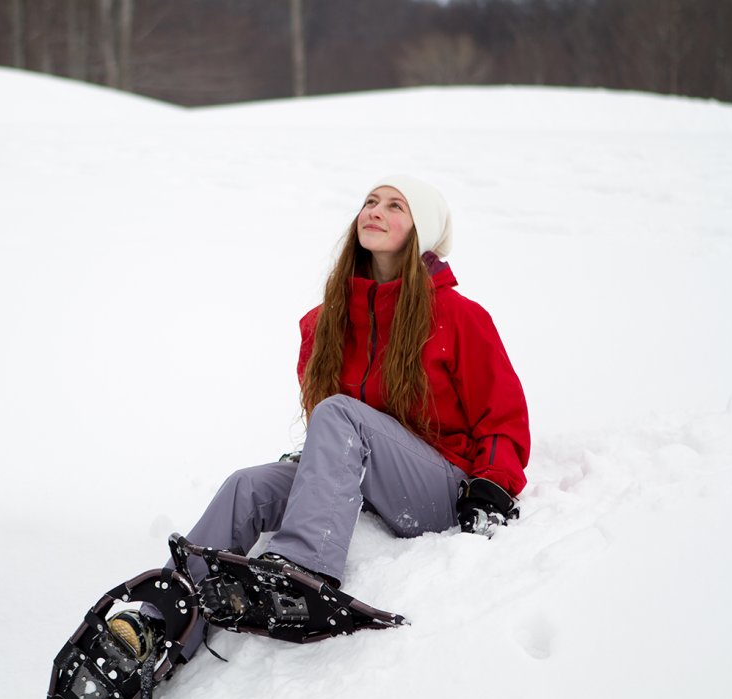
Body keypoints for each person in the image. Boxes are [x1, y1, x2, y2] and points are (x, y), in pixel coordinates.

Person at [118, 175, 530, 662]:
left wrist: (492, 484)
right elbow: (327, 423)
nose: (375, 211)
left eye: (395, 206)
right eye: (370, 201)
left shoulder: (458, 317)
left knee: (340, 413)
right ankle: (158, 624)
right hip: (362, 483)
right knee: (245, 486)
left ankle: (301, 569)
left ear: (423, 231)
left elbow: (502, 416)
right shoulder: (328, 320)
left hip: (438, 490)